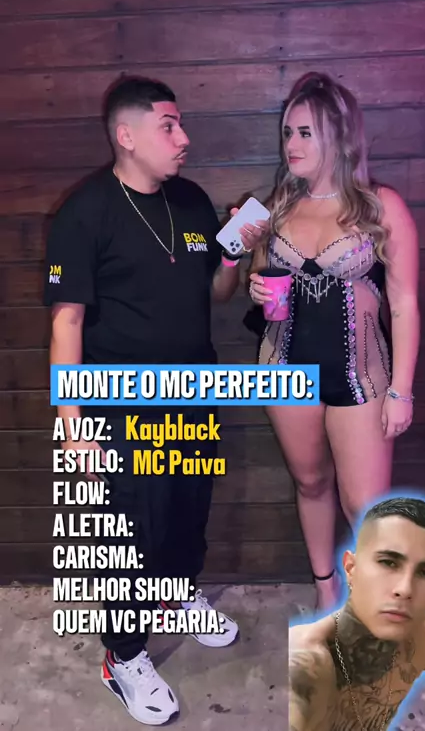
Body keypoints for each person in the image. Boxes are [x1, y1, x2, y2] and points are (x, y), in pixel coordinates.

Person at [43, 75, 268, 725]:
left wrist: (234, 255)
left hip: (193, 392)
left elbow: (214, 294)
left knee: (187, 512)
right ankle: (123, 656)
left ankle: (175, 598)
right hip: (120, 405)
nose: (183, 137)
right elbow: (66, 324)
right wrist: (75, 428)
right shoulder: (84, 213)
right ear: (127, 135)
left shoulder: (192, 203)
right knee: (132, 532)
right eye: (168, 125)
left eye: (180, 123)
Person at [247, 72, 420, 610]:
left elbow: (404, 304)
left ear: (340, 136)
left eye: (305, 133)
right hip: (284, 369)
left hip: (361, 375)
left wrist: (402, 391)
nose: (292, 144)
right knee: (310, 483)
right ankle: (326, 591)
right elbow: (258, 277)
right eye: (287, 133)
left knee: (366, 506)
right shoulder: (276, 206)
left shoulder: (380, 206)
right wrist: (255, 285)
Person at [289, 496, 425, 731]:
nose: (405, 589)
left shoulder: (422, 640)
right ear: (351, 568)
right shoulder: (303, 667)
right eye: (389, 563)